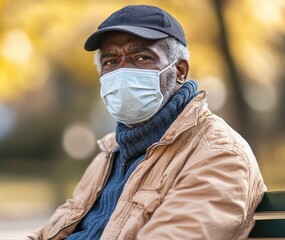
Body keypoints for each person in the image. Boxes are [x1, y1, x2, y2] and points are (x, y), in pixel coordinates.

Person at [26, 5, 266, 240]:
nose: (123, 72)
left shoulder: (219, 154)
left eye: (141, 57)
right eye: (110, 62)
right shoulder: (111, 153)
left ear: (180, 71)